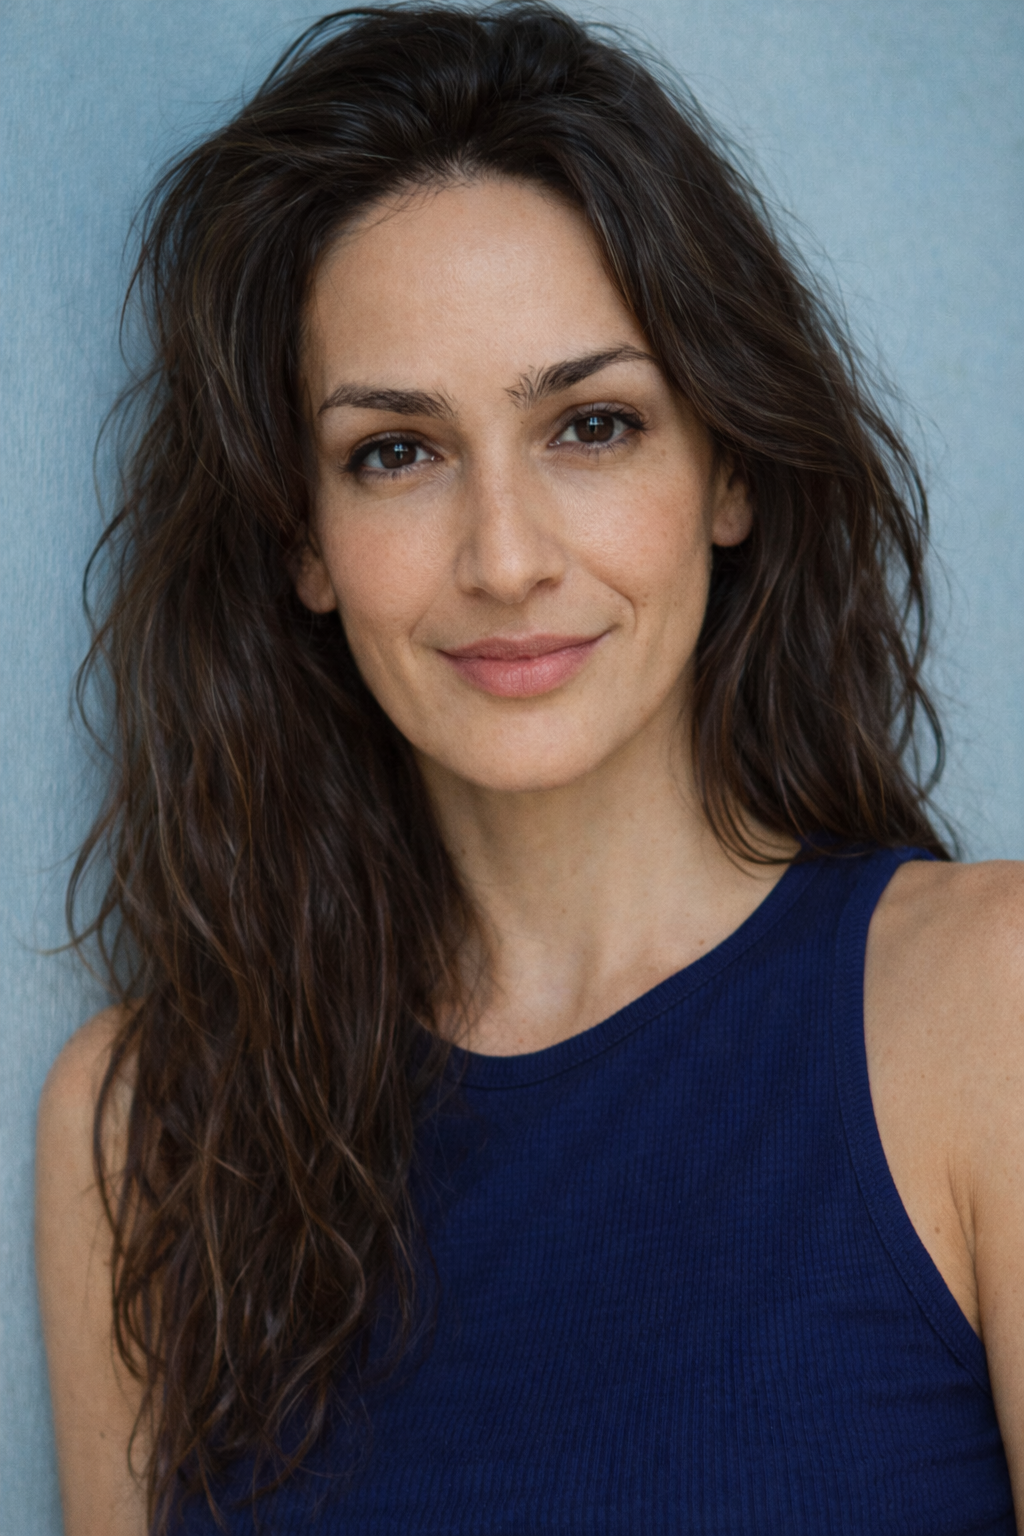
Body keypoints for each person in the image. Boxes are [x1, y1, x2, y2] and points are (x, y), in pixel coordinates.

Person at [34, 5, 1023, 1533]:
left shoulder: (988, 1012)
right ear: (302, 537)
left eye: (594, 425)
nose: (504, 559)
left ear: (731, 468)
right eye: (395, 452)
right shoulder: (148, 1129)